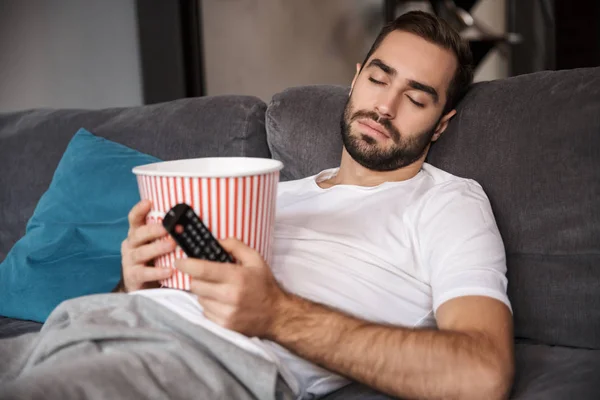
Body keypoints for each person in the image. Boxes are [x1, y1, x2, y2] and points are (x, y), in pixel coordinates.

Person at [0, 11, 514, 400]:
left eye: (417, 97)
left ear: (441, 123)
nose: (385, 105)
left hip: (203, 362)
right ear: (357, 78)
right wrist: (135, 282)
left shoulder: (449, 203)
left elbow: (482, 372)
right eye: (379, 79)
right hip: (87, 324)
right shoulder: (272, 192)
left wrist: (278, 315)